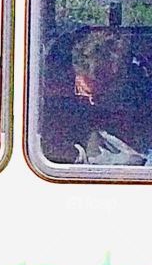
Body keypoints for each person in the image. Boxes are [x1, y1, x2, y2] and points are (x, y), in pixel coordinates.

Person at [40, 28, 152, 165]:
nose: (93, 102)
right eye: (87, 94)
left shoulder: (139, 99)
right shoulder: (52, 101)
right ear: (77, 73)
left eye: (104, 92)